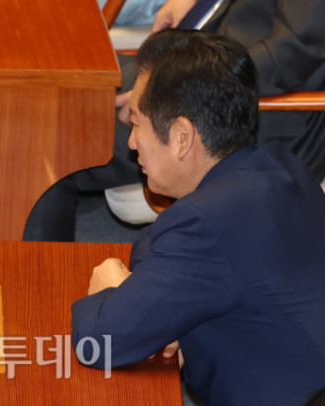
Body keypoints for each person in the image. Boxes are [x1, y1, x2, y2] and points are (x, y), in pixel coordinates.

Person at [71, 29, 325, 405]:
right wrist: (160, 304)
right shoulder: (279, 167)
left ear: (182, 136)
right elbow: (157, 247)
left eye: (136, 123)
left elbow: (98, 341)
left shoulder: (206, 222)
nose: (131, 141)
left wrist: (111, 285)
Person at [24, 0, 325, 240]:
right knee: (34, 82)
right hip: (198, 63)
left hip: (236, 109)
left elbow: (292, 51)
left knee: (41, 138)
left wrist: (168, 88)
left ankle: (33, 291)